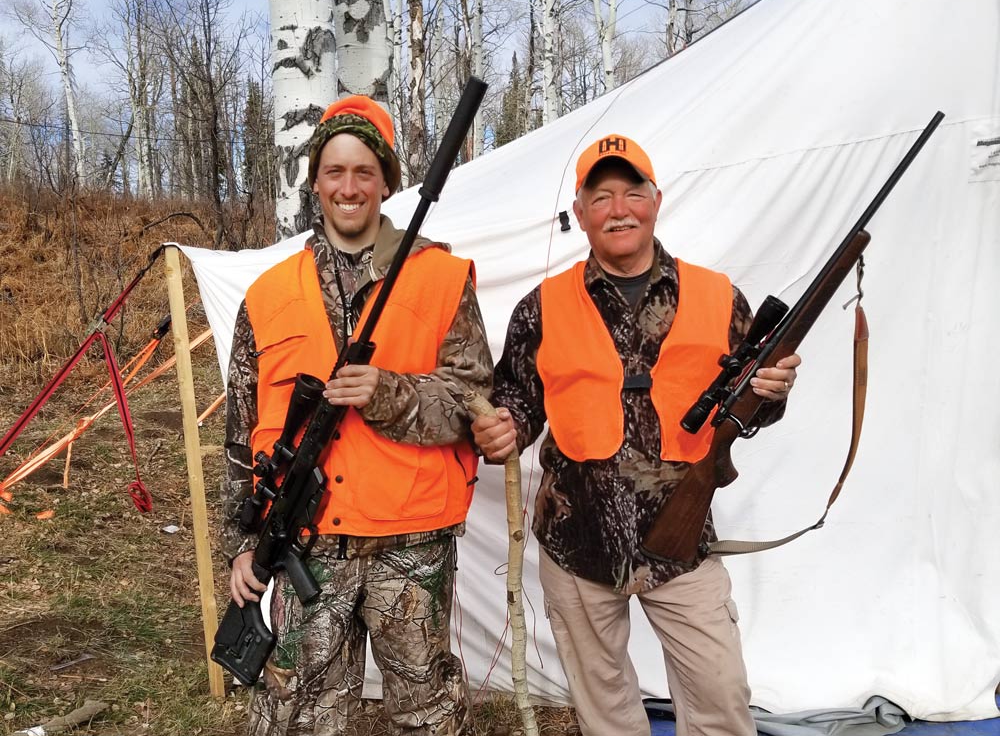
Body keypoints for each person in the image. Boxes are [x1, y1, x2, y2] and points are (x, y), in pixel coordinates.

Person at [472, 134, 801, 736]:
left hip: (683, 544)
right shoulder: (539, 308)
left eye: (632, 193)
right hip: (576, 544)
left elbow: (752, 410)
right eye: (601, 197)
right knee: (606, 711)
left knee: (721, 699)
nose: (618, 209)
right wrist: (503, 429)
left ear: (656, 200)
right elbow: (518, 398)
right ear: (580, 214)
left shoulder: (719, 296)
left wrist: (773, 394)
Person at [221, 95, 492, 736]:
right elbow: (238, 436)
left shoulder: (441, 277)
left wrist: (389, 393)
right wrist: (242, 542)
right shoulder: (267, 295)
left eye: (364, 172)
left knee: (427, 720)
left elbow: (475, 400)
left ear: (387, 182)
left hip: (411, 547)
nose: (349, 188)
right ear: (316, 180)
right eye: (335, 171)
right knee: (295, 722)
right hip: (304, 543)